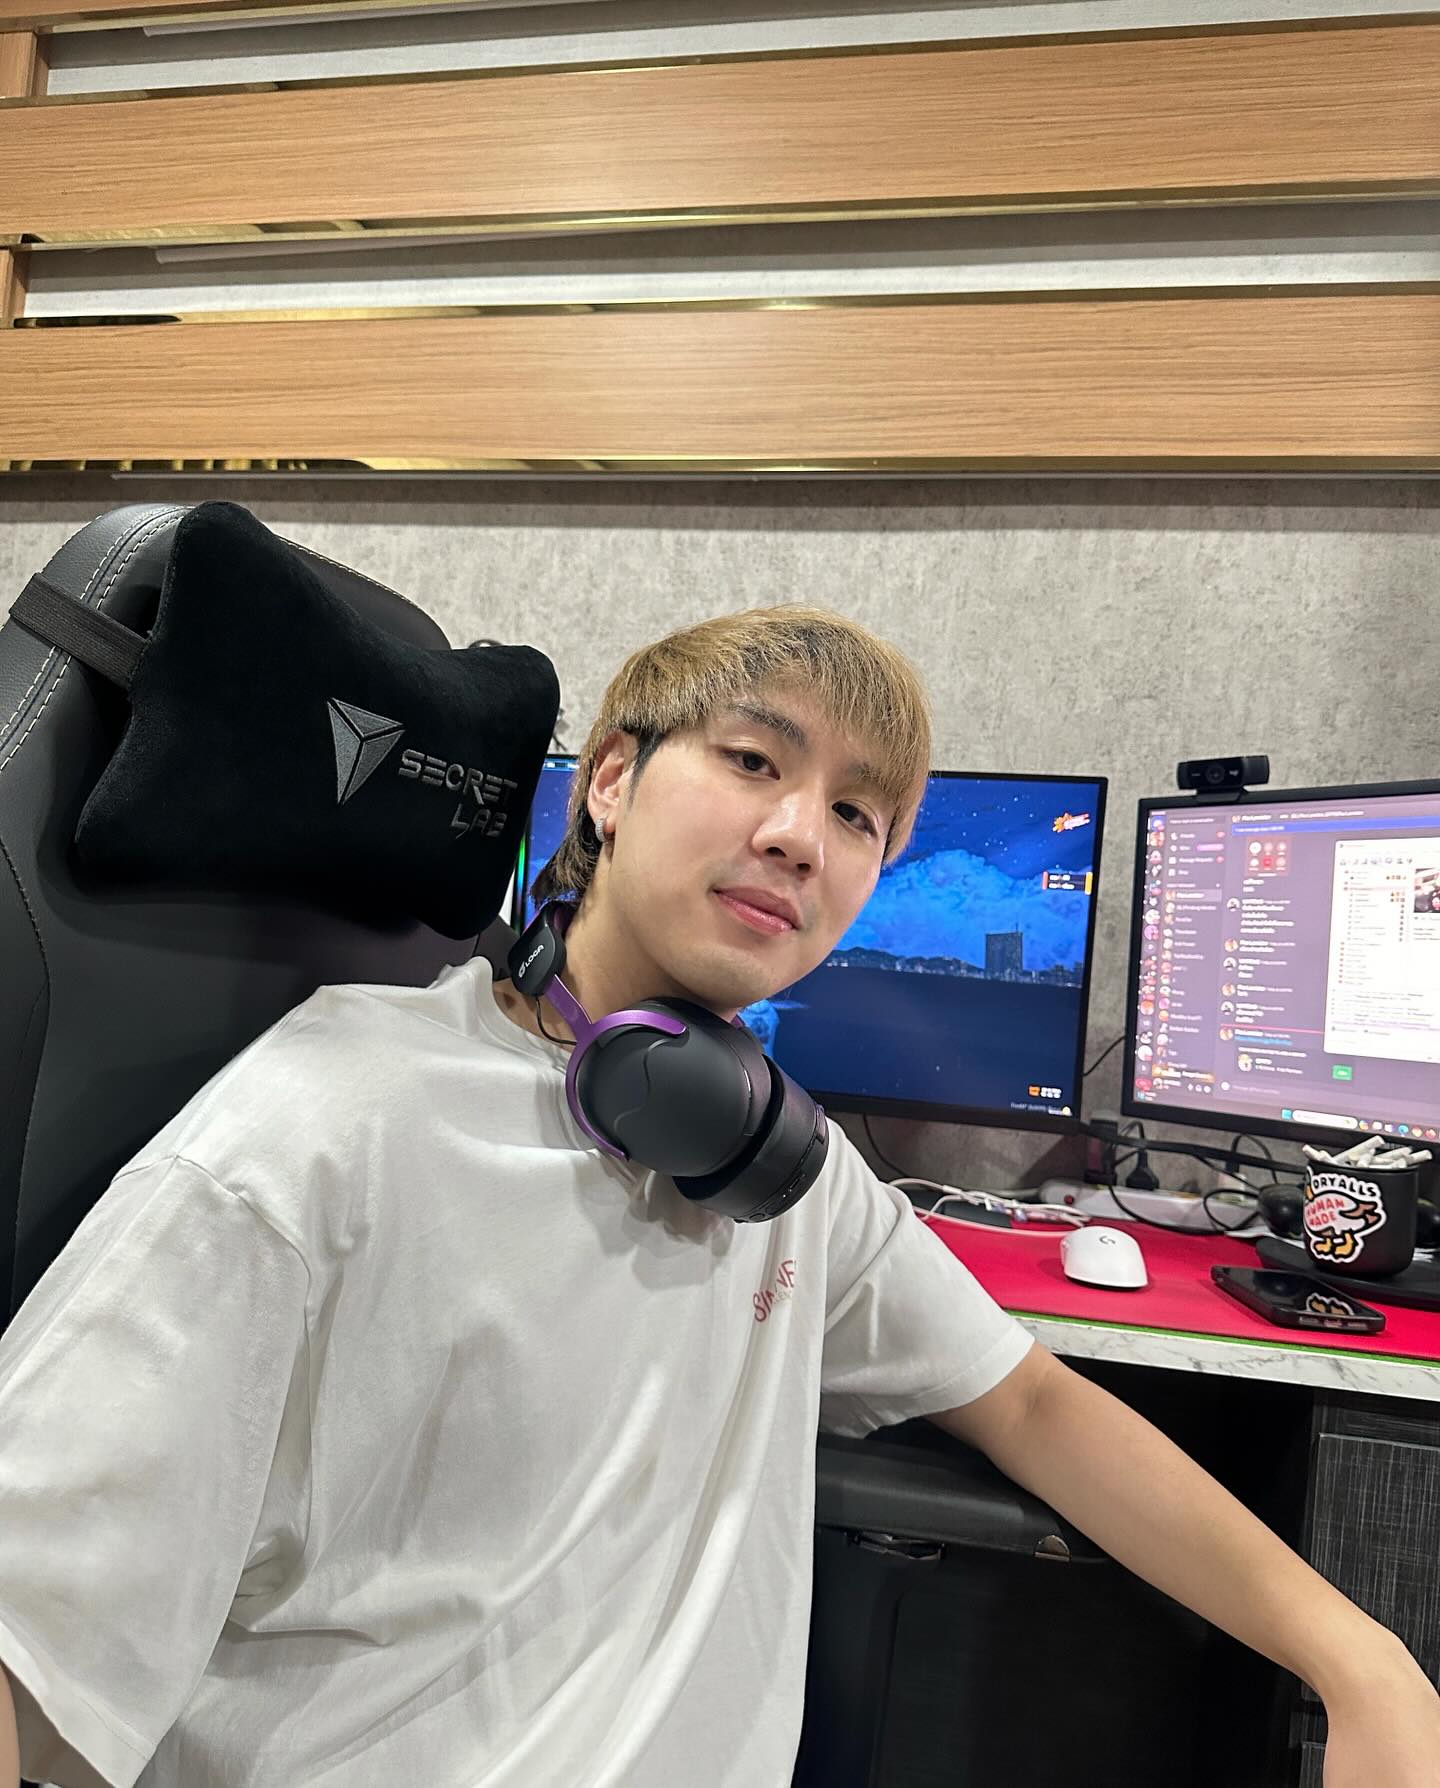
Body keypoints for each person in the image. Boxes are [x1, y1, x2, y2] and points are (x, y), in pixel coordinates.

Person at [1, 606, 1437, 1788]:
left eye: (859, 814)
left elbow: (1035, 1406)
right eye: (753, 759)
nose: (803, 833)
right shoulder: (326, 1129)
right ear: (610, 783)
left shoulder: (780, 1164)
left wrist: (1360, 1659)